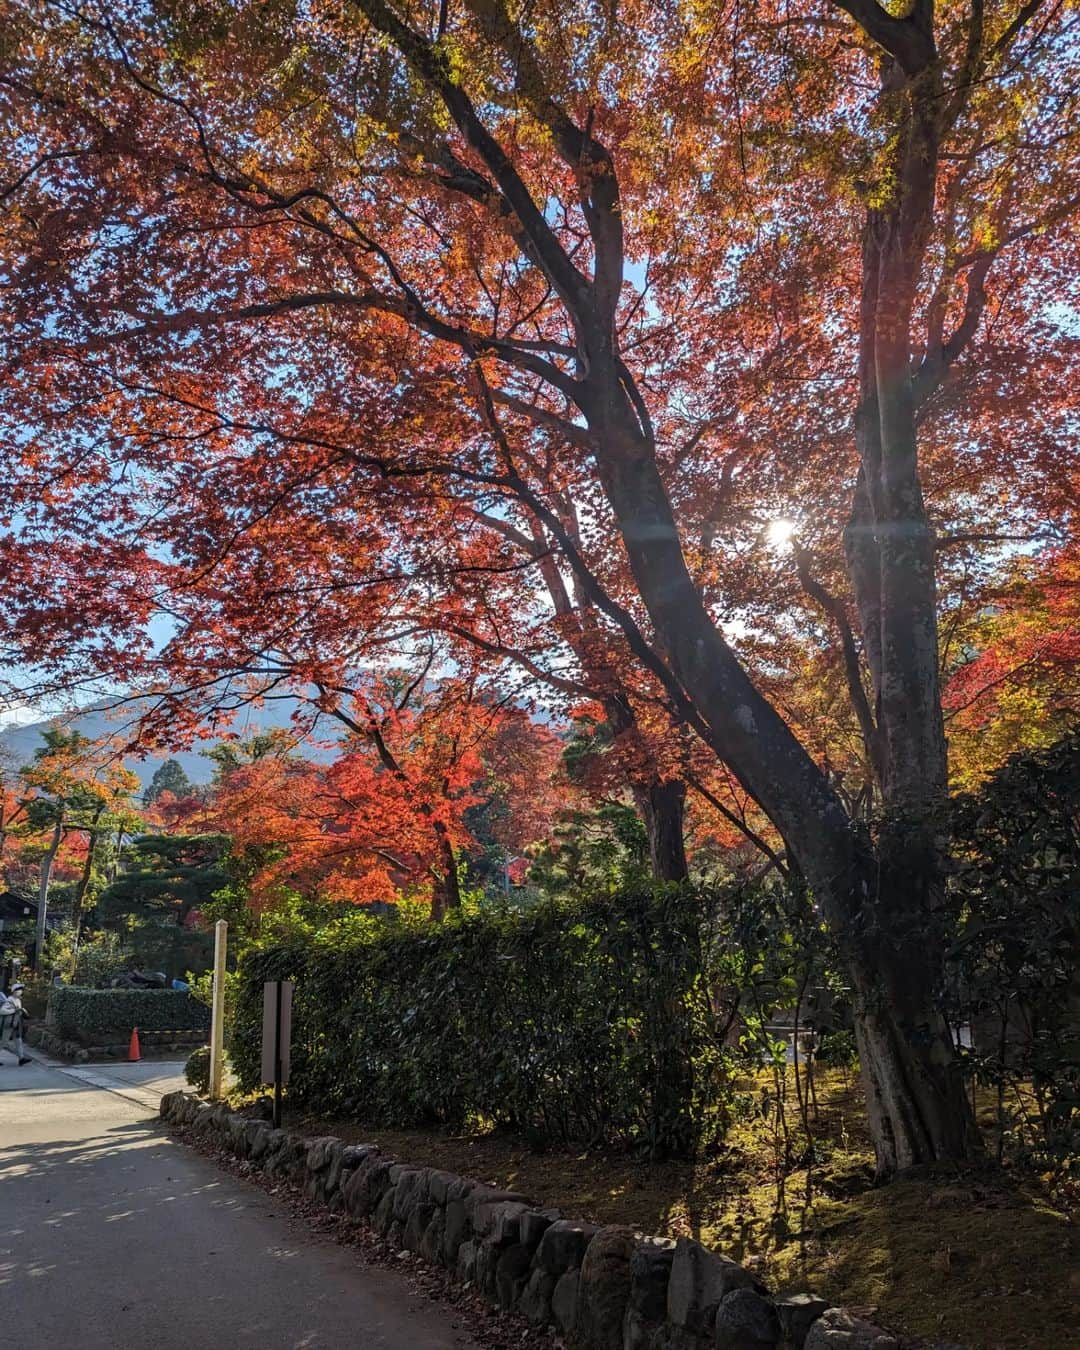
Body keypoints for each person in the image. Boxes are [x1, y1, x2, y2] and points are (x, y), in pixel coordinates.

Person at [0, 980, 31, 1067]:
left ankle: (21, 1059)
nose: (20, 991)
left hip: (15, 1023)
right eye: (19, 989)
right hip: (9, 1024)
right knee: (3, 1042)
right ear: (14, 991)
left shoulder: (18, 1000)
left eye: (21, 989)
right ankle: (21, 1058)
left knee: (18, 1041)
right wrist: (15, 1010)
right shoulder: (9, 1000)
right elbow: (2, 1011)